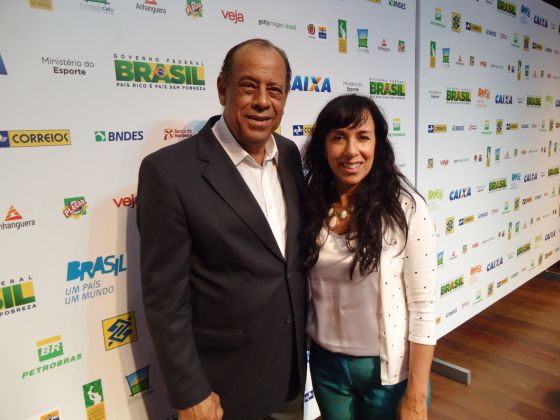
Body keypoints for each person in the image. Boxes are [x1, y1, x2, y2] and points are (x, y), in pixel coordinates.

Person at [137, 39, 307, 420]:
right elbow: (165, 299)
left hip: (290, 376)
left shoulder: (290, 154)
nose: (262, 101)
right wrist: (190, 391)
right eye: (248, 86)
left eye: (274, 90)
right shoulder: (168, 172)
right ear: (221, 89)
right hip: (223, 391)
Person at [301, 94, 436, 420]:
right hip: (326, 367)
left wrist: (417, 396)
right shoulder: (309, 202)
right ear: (323, 146)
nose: (351, 150)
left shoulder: (406, 209)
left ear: (378, 145)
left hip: (387, 373)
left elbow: (423, 308)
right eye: (338, 138)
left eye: (363, 137)